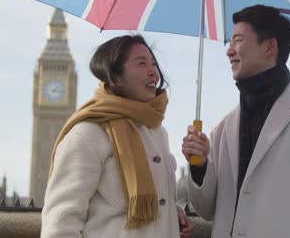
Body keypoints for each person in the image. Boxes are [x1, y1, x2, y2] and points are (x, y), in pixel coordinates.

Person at [182, 5, 290, 238]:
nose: (229, 51)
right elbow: (207, 209)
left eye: (238, 40)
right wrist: (199, 165)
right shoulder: (222, 129)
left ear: (270, 47)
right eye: (229, 42)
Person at [42, 35, 193, 238]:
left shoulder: (157, 132)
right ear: (116, 76)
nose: (153, 72)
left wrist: (171, 215)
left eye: (154, 64)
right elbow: (60, 225)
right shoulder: (89, 133)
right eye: (142, 64)